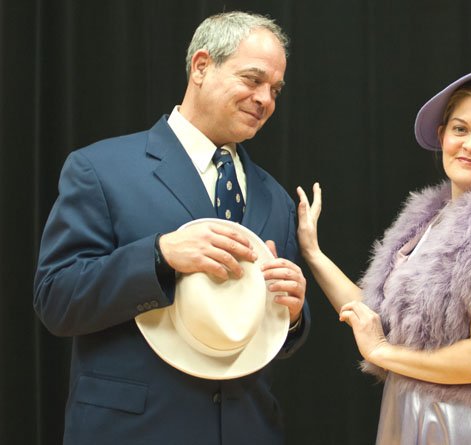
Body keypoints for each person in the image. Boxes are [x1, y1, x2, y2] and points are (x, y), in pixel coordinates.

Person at [33, 11, 309, 445]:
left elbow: (271, 332)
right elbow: (55, 299)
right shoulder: (99, 169)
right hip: (135, 431)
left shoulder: (275, 197)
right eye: (252, 79)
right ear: (201, 66)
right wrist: (159, 256)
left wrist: (293, 313)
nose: (266, 99)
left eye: (275, 89)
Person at [297, 68, 471, 444]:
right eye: (460, 129)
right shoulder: (429, 225)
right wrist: (313, 252)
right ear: (442, 136)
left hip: (466, 425)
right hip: (408, 412)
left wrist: (383, 353)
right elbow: (372, 318)